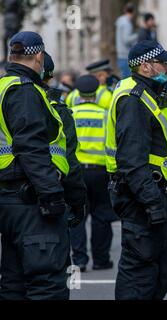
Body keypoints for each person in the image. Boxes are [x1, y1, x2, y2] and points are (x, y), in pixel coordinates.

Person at [105, 40, 167, 300]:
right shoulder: (134, 100)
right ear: (146, 67)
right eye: (162, 63)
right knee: (139, 274)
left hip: (161, 196)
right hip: (144, 197)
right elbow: (132, 160)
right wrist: (152, 203)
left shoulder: (153, 94)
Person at [0, 31, 71, 299]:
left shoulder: (3, 87)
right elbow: (31, 147)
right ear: (39, 56)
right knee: (47, 284)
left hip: (8, 199)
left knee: (13, 283)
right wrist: (52, 194)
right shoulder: (25, 91)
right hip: (30, 200)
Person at [70, 75, 117, 272]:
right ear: (96, 92)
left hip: (77, 172)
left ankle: (80, 259)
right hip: (100, 171)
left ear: (78, 93)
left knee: (77, 216)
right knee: (102, 216)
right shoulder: (105, 115)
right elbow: (113, 145)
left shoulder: (70, 113)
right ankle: (100, 260)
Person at [42, 52, 87, 236]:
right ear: (50, 76)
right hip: (50, 191)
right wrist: (77, 201)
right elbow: (68, 156)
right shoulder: (57, 109)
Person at [115, 2, 138, 78]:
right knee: (127, 79)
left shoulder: (121, 21)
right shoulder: (127, 23)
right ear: (133, 12)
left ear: (125, 10)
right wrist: (136, 35)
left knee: (124, 78)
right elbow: (126, 40)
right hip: (125, 56)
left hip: (121, 55)